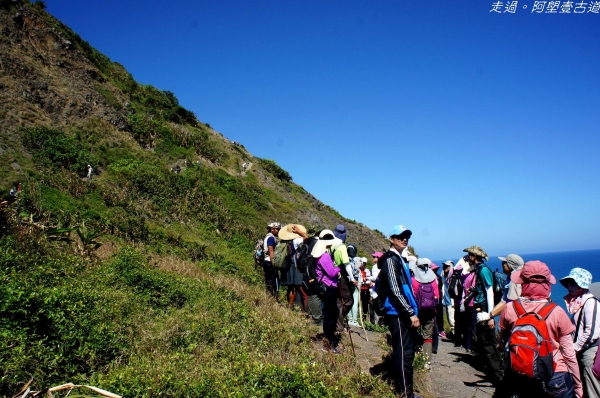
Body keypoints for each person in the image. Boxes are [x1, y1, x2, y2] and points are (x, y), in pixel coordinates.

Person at [497, 261, 583, 398]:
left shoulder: (509, 308)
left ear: (522, 282)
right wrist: (578, 385)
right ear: (547, 284)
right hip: (555, 375)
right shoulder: (557, 311)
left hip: (521, 374)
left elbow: (502, 343)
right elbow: (569, 354)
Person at [377, 225, 421, 398]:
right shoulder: (391, 259)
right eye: (400, 236)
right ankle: (404, 393)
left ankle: (406, 390)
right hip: (397, 313)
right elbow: (395, 290)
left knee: (406, 352)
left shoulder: (398, 258)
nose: (404, 239)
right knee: (404, 353)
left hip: (400, 312)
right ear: (391, 239)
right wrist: (410, 312)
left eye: (407, 236)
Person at [465, 245, 503, 384]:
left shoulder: (483, 270)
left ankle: (499, 376)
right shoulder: (480, 269)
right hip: (482, 310)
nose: (468, 257)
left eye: (470, 255)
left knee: (489, 345)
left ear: (474, 256)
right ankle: (495, 373)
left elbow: (489, 292)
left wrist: (490, 316)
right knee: (484, 343)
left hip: (484, 311)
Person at [560, 268, 600, 398]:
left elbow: (592, 332)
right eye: (568, 284)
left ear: (581, 285)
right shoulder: (580, 302)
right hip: (582, 350)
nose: (569, 287)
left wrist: (574, 348)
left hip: (589, 352)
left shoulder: (590, 302)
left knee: (592, 388)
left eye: (573, 283)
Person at [311, 229, 341, 353]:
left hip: (324, 286)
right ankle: (329, 343)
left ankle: (328, 340)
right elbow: (331, 272)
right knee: (330, 315)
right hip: (329, 287)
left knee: (328, 314)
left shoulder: (317, 254)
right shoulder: (325, 256)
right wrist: (339, 267)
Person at [411, 258, 439, 366]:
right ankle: (427, 361)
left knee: (413, 332)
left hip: (417, 312)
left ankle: (415, 356)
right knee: (428, 337)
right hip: (430, 311)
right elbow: (437, 296)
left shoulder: (413, 279)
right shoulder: (433, 279)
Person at [278, 224, 308, 309]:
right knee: (293, 286)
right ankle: (291, 305)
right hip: (292, 265)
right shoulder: (295, 241)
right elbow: (306, 237)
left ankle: (289, 303)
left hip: (285, 265)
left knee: (290, 286)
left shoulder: (282, 242)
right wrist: (299, 231)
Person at [331, 225, 353, 333]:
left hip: (332, 274)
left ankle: (338, 324)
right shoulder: (342, 246)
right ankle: (339, 323)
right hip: (342, 275)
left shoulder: (330, 244)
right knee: (348, 300)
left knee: (338, 301)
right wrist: (352, 278)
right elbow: (347, 265)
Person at [262, 222, 281, 299]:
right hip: (269, 261)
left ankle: (269, 296)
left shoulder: (267, 237)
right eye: (278, 229)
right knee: (272, 280)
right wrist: (273, 262)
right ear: (272, 229)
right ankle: (272, 297)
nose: (279, 231)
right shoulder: (271, 238)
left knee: (268, 280)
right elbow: (271, 250)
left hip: (266, 260)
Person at [346, 243, 361, 327]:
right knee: (355, 301)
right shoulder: (358, 259)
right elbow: (358, 270)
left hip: (347, 282)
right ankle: (354, 320)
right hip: (356, 281)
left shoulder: (346, 258)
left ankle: (349, 318)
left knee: (348, 300)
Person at [369, 251, 384, 325]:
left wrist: (368, 278)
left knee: (375, 303)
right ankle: (380, 322)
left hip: (375, 287)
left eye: (375, 257)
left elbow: (375, 277)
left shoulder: (375, 266)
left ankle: (375, 322)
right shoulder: (382, 266)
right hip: (380, 287)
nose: (373, 258)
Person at [441, 260, 455, 338]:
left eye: (447, 266)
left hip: (451, 301)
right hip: (447, 301)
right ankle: (454, 335)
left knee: (452, 320)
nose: (445, 268)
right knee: (450, 320)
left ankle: (456, 336)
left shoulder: (452, 277)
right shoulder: (446, 277)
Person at [358, 257, 371, 322]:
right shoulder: (357, 270)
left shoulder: (367, 271)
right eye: (363, 263)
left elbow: (369, 280)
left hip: (365, 289)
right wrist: (363, 280)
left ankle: (364, 317)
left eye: (364, 264)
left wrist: (364, 281)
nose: (363, 265)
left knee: (365, 304)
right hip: (358, 289)